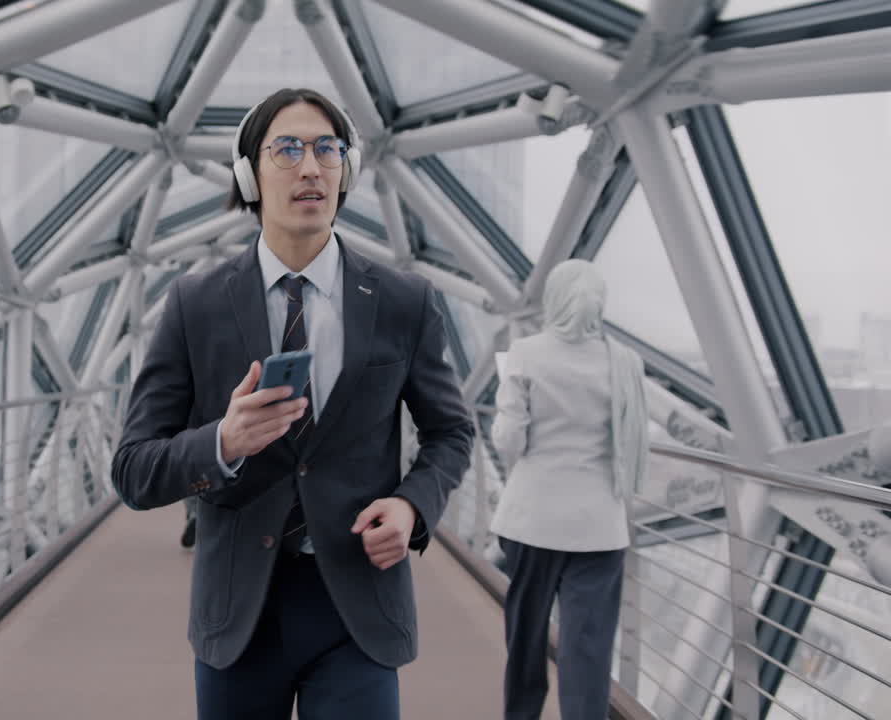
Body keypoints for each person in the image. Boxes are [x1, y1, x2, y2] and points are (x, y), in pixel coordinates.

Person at [111, 87, 473, 720]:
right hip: (238, 615)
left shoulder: (403, 301)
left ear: (346, 170)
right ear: (250, 174)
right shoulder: (195, 305)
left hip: (358, 609)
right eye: (287, 149)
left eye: (327, 149)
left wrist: (413, 506)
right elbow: (134, 470)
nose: (311, 167)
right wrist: (222, 443)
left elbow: (451, 433)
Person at [489, 259, 649, 720]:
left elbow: (509, 441)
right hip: (600, 527)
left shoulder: (526, 353)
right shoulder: (625, 362)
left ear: (554, 298)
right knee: (588, 649)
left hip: (532, 520)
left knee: (526, 637)